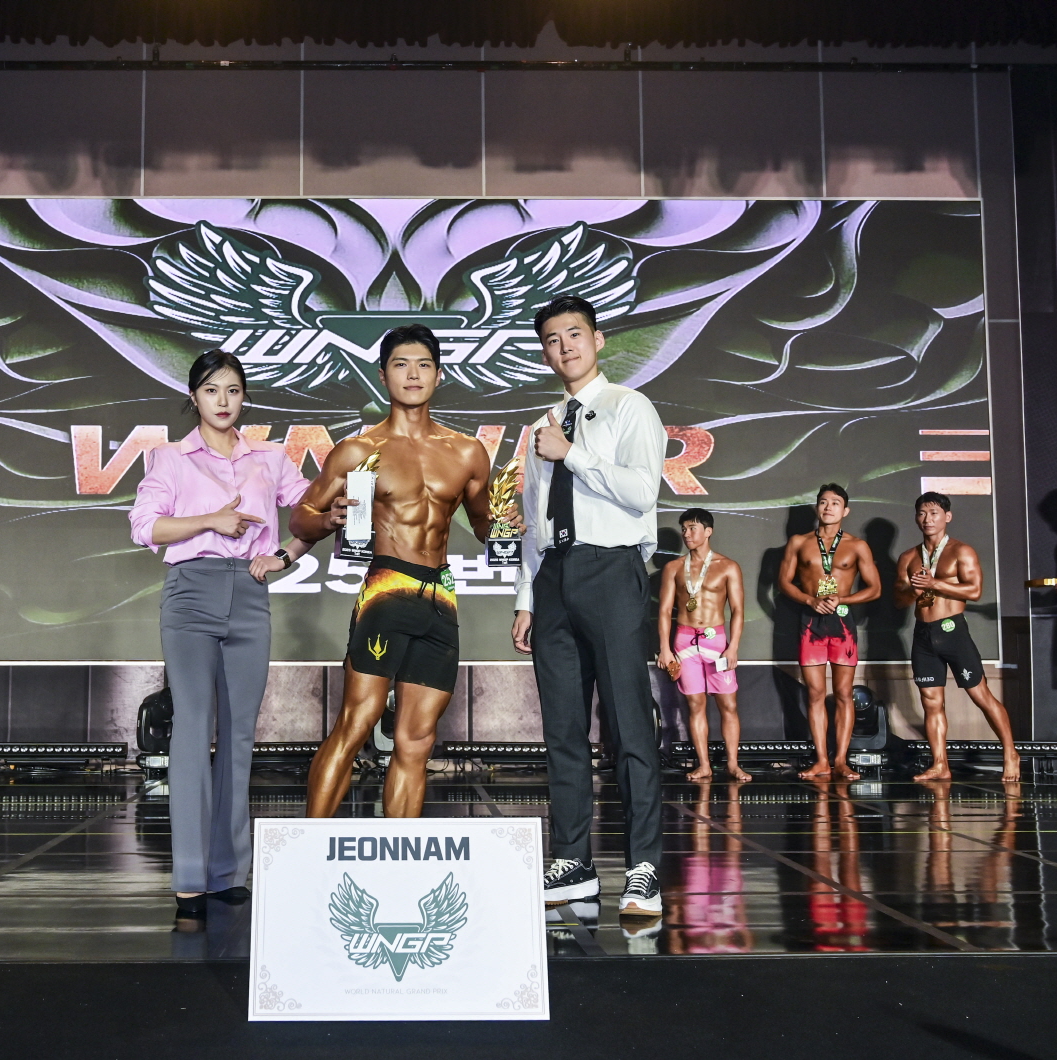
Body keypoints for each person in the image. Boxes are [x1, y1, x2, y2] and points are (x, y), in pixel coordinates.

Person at [129, 351, 313, 919]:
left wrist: (285, 554)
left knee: (238, 736)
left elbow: (313, 511)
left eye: (233, 390)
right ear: (194, 397)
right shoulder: (170, 457)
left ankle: (229, 871)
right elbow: (144, 527)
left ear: (244, 396)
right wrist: (211, 520)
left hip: (249, 595)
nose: (224, 401)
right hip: (191, 592)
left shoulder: (270, 457)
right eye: (212, 390)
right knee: (192, 729)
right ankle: (189, 875)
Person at [293, 324, 499, 818]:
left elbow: (484, 524)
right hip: (386, 588)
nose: (413, 374)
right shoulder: (358, 450)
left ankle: (398, 851)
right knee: (357, 722)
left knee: (417, 739)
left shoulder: (467, 452)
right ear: (383, 376)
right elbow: (302, 518)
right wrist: (328, 519)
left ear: (439, 375)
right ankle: (307, 845)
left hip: (441, 597)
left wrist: (508, 524)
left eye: (424, 365)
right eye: (401, 365)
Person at [510, 294, 669, 917]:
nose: (564, 347)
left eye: (574, 334)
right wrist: (526, 597)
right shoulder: (543, 424)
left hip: (611, 570)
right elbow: (533, 520)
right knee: (563, 728)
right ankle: (573, 861)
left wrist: (572, 453)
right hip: (554, 576)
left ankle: (643, 867)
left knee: (629, 723)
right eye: (552, 340)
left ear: (597, 340)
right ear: (545, 353)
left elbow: (641, 492)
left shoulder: (630, 407)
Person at [892, 491, 1020, 782]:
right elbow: (898, 601)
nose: (927, 519)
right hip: (923, 635)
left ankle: (1010, 753)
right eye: (922, 513)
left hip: (953, 631)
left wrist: (934, 583)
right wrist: (914, 590)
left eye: (934, 513)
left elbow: (975, 591)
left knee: (980, 695)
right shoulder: (908, 557)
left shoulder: (962, 551)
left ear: (947, 517)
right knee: (931, 701)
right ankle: (940, 764)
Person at [777, 484, 881, 781]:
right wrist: (809, 600)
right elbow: (784, 582)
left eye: (835, 503)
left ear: (845, 510)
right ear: (817, 508)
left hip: (842, 624)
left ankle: (842, 760)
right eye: (823, 502)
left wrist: (843, 599)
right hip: (811, 623)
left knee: (844, 693)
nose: (828, 507)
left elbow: (875, 588)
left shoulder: (857, 545)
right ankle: (822, 760)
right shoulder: (799, 542)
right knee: (815, 693)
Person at [657, 508, 750, 782]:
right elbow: (664, 611)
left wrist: (733, 647)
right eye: (684, 529)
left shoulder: (728, 566)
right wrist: (665, 648)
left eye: (692, 528)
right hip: (684, 641)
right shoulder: (674, 568)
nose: (686, 534)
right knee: (695, 704)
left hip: (716, 642)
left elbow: (738, 610)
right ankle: (704, 765)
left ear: (708, 531)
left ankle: (733, 764)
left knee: (728, 704)